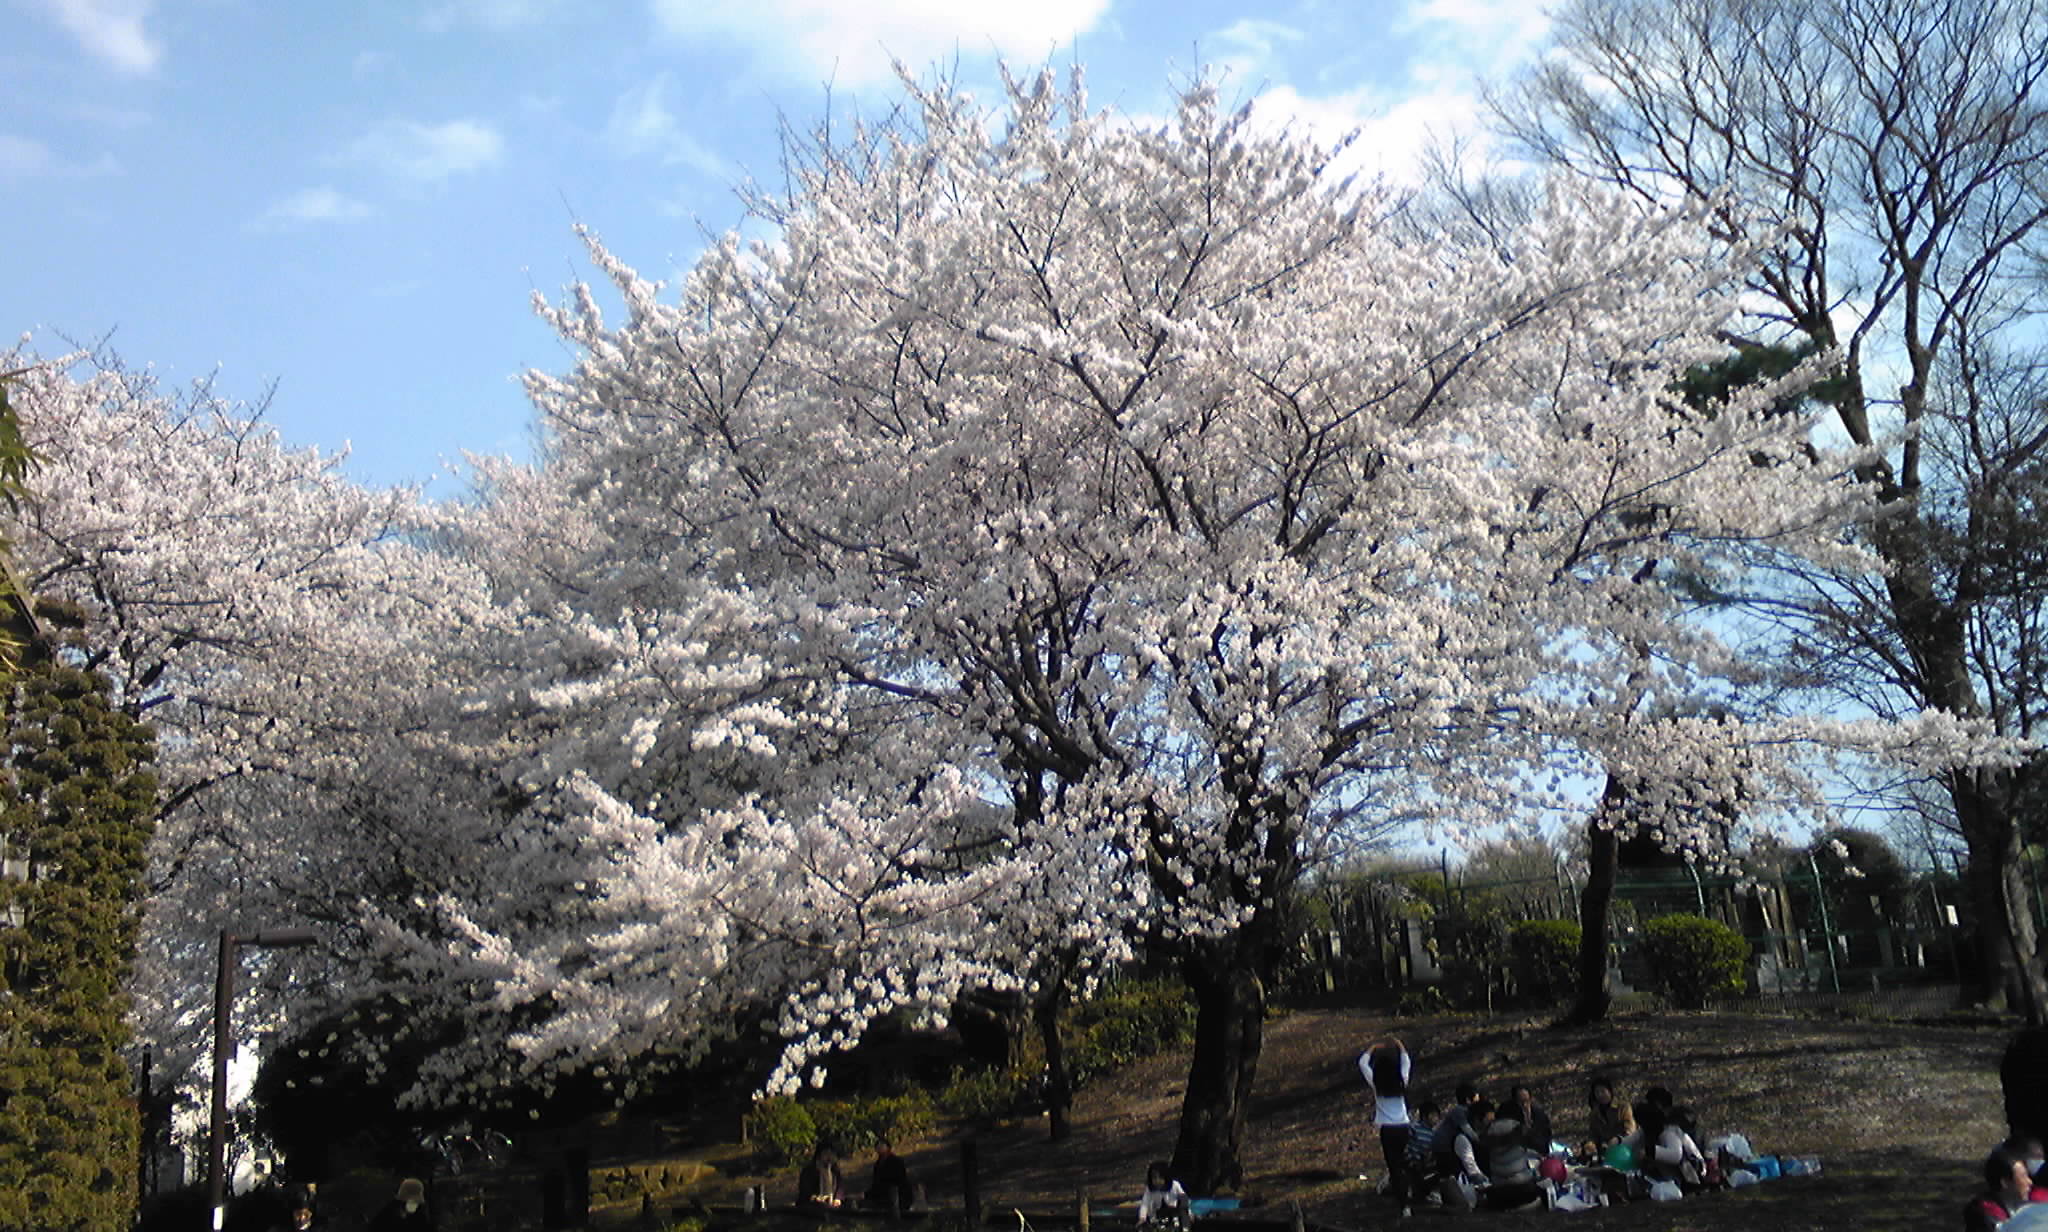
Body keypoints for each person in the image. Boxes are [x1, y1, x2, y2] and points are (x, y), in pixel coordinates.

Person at [1358, 1037, 1413, 1211]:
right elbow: (1406, 1062)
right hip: (1404, 1127)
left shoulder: (1377, 1084)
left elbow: (1362, 1064)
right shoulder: (1401, 1082)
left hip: (1387, 1130)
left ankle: (1403, 1204)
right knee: (1405, 1164)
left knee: (1394, 1167)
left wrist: (1372, 1048)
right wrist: (1400, 1045)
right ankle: (1411, 1193)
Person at [1435, 1098, 1494, 1212]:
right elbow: (1471, 1167)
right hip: (1467, 1185)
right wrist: (1487, 1183)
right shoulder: (1462, 1139)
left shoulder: (1483, 1138)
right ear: (1478, 1119)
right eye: (1488, 1121)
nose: (1491, 1124)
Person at [1965, 1145, 2035, 1231]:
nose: (2030, 1182)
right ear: (2005, 1183)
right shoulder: (1987, 1216)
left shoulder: (2021, 1208)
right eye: (2023, 1176)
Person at [863, 1139, 917, 1214]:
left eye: (882, 1145)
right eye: (878, 1146)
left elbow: (900, 1179)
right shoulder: (877, 1164)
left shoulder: (896, 1161)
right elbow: (876, 1182)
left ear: (888, 1147)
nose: (879, 1148)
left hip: (898, 1192)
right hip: (883, 1192)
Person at [1586, 1076, 1633, 1157]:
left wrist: (1618, 1139)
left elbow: (1630, 1129)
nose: (1600, 1095)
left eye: (1603, 1091)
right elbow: (1593, 1134)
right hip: (1606, 1151)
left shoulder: (1623, 1107)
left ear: (1610, 1091)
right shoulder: (1594, 1114)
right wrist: (1590, 1144)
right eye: (1597, 1092)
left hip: (1625, 1148)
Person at [1138, 1161, 1190, 1228]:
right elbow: (1145, 1203)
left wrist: (1188, 1214)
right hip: (1156, 1216)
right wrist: (1142, 1217)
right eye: (1154, 1178)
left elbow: (1184, 1200)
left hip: (1173, 1214)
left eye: (1160, 1178)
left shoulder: (1174, 1185)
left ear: (1166, 1177)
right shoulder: (1150, 1190)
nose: (1157, 1181)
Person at [368, 1178, 434, 1232]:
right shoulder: (388, 1213)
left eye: (416, 1201)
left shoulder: (419, 1216)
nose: (415, 1204)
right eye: (411, 1200)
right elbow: (375, 1227)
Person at [798, 1146, 845, 1210]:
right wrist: (815, 1197)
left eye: (832, 1154)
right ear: (819, 1155)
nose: (829, 1157)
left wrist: (838, 1198)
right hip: (810, 1205)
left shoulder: (835, 1171)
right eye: (826, 1154)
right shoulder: (809, 1170)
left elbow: (840, 1187)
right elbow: (805, 1190)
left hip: (831, 1203)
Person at [1510, 1084, 1552, 1154]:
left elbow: (1547, 1135)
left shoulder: (1539, 1114)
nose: (1524, 1105)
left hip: (1538, 1153)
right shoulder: (1510, 1116)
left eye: (1526, 1100)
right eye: (1520, 1101)